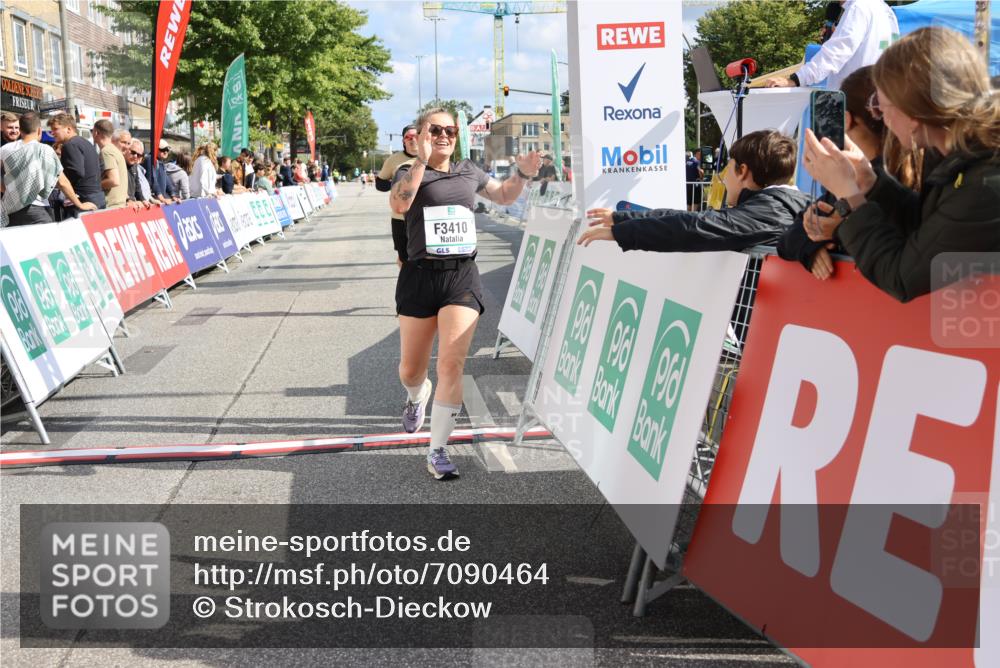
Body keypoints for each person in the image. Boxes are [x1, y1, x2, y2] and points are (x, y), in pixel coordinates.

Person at [389, 107, 540, 480]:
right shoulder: (409, 173)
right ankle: (415, 395)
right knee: (411, 369)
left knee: (451, 364)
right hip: (419, 277)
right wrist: (422, 163)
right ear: (422, 134)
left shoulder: (469, 171)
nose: (444, 136)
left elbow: (504, 196)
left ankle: (437, 450)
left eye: (451, 130)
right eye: (436, 129)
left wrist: (522, 173)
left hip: (461, 277)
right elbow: (399, 204)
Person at [801, 26, 1000, 302]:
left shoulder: (985, 182)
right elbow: (926, 229)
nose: (880, 115)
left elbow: (901, 277)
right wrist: (871, 183)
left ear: (913, 111)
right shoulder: (961, 158)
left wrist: (851, 195)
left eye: (881, 103)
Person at [777, 65, 916, 280]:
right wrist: (812, 244)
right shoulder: (858, 176)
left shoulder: (868, 178)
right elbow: (789, 240)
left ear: (846, 119)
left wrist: (838, 233)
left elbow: (905, 246)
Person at [579, 130, 809, 252]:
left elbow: (692, 228)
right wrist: (621, 219)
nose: (722, 174)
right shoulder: (781, 205)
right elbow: (691, 218)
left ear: (742, 171)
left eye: (727, 165)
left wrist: (623, 232)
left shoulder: (768, 211)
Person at [765, 0, 897, 90]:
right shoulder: (885, 10)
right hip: (878, 98)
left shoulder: (858, 8)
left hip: (855, 105)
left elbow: (835, 53)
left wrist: (796, 80)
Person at [1, 112, 96, 226]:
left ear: (20, 130)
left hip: (11, 211)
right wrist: (80, 204)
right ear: (39, 131)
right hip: (36, 209)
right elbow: (62, 182)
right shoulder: (44, 150)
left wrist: (6, 190)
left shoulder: (5, 149)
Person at [376, 124, 419, 266]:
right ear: (403, 141)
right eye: (409, 137)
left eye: (416, 136)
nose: (413, 139)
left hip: (423, 217)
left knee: (423, 259)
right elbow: (380, 184)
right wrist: (398, 188)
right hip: (400, 218)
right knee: (404, 258)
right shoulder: (394, 160)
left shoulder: (431, 156)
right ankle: (407, 286)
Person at [48, 112, 105, 215]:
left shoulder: (70, 145)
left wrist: (61, 181)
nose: (53, 133)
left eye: (56, 129)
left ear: (69, 129)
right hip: (97, 197)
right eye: (52, 130)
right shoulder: (86, 143)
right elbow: (101, 167)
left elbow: (75, 172)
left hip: (83, 199)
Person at [91, 119, 128, 210]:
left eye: (92, 131)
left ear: (96, 132)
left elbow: (114, 180)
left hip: (111, 206)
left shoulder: (106, 151)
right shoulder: (115, 150)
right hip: (118, 205)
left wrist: (93, 186)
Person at [125, 139, 155, 208]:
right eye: (133, 152)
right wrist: (128, 200)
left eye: (139, 155)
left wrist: (143, 199)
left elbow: (137, 186)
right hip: (123, 205)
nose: (135, 156)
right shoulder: (120, 163)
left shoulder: (134, 165)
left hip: (133, 204)